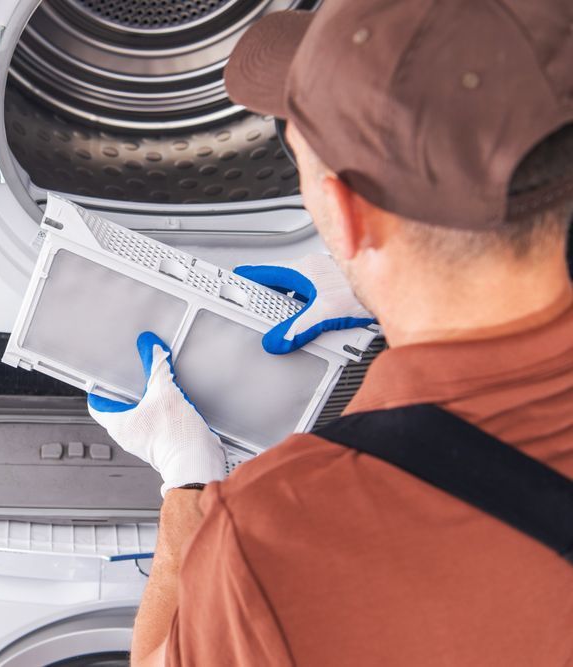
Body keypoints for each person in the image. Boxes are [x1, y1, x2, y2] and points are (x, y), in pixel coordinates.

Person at [87, 1, 573, 665]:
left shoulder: (276, 538)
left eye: (300, 165)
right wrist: (389, 312)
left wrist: (190, 490)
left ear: (345, 213)